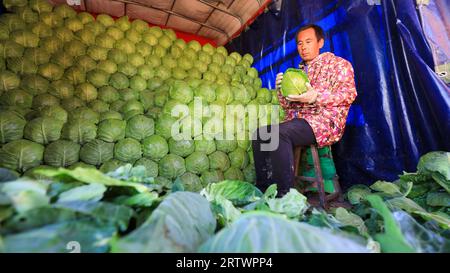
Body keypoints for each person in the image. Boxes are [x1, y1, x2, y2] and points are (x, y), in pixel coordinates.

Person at [252, 24, 357, 196]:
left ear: (320, 42)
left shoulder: (338, 65)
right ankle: (265, 189)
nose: (303, 47)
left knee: (279, 134)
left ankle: (284, 195)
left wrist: (316, 97)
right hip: (299, 122)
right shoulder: (298, 72)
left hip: (324, 123)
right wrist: (280, 90)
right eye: (300, 43)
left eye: (308, 41)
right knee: (260, 134)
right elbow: (288, 107)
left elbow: (349, 94)